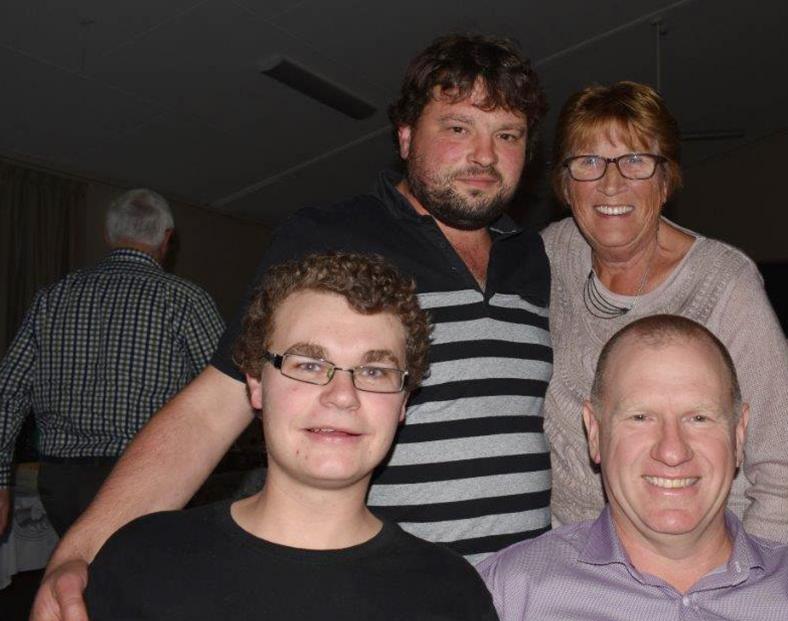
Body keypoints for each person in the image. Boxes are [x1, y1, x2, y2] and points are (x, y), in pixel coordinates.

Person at [32, 34, 551, 620]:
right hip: (397, 595)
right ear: (405, 135)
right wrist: (78, 553)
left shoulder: (533, 257)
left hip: (529, 592)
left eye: (507, 134)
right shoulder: (330, 237)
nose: (484, 154)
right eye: (458, 128)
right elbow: (211, 409)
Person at [84, 252, 498, 620]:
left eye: (374, 371)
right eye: (309, 365)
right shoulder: (144, 561)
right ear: (255, 385)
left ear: (404, 401)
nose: (342, 396)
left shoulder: (450, 594)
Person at [541, 81, 788, 546]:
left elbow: (787, 488)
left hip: (700, 568)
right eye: (588, 162)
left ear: (666, 180)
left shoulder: (724, 285)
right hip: (574, 564)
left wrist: (730, 593)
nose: (611, 183)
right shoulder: (544, 260)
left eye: (635, 161)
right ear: (566, 185)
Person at [479, 315, 788, 620]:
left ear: (738, 436)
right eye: (639, 417)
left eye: (699, 418)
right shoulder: (509, 596)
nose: (672, 451)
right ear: (595, 433)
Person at [0, 188, 223, 537]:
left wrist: (0, 482)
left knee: (84, 580)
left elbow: (8, 392)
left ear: (108, 235)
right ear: (167, 238)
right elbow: (229, 385)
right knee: (142, 580)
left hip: (62, 481)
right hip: (147, 471)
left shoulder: (52, 298)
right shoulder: (184, 299)